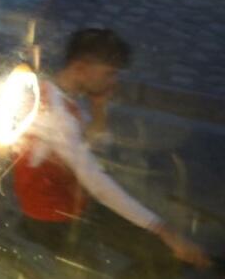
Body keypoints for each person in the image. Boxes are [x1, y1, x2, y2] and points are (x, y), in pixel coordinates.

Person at [13, 28, 211, 276]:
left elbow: (93, 146)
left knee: (157, 250)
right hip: (55, 219)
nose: (114, 81)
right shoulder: (56, 112)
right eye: (109, 73)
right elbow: (96, 182)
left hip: (74, 203)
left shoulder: (58, 96)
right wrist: (164, 231)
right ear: (81, 68)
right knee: (158, 256)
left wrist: (99, 108)